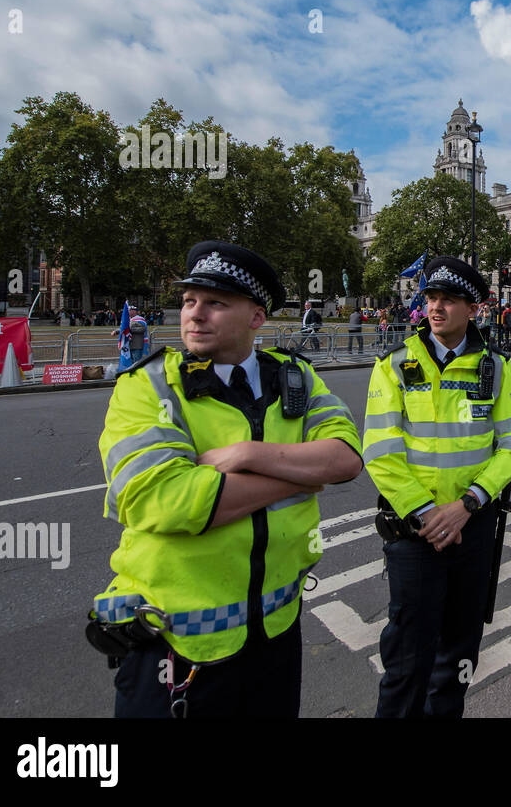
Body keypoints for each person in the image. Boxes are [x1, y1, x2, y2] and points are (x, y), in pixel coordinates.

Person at [90, 241, 362, 716]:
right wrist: (300, 475)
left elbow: (345, 458)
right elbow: (167, 499)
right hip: (174, 646)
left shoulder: (295, 378)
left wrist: (248, 453)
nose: (195, 315)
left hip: (276, 635)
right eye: (189, 300)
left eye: (215, 303)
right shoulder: (148, 385)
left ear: (257, 318)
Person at [363, 256, 511, 718]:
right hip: (414, 533)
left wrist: (468, 505)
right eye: (431, 298)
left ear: (473, 309)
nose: (436, 307)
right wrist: (426, 513)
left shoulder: (496, 368)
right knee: (406, 660)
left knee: (459, 652)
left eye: (449, 300)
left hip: (473, 529)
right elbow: (380, 451)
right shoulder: (393, 366)